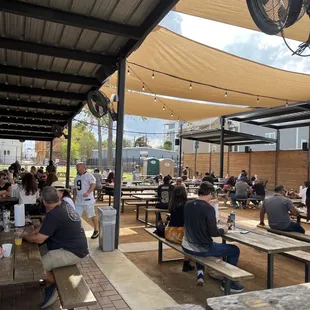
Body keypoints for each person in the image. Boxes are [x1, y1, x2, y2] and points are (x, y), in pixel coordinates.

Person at [23, 186, 89, 308]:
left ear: (43, 202)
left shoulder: (55, 214)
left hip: (72, 252)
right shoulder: (62, 204)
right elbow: (46, 225)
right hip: (74, 248)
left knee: (36, 267)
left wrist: (25, 236)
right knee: (38, 255)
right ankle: (50, 280)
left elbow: (39, 239)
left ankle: (57, 285)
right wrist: (30, 233)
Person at [182, 182, 243, 292]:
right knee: (234, 250)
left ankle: (212, 273)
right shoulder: (208, 208)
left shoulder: (188, 204)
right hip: (202, 248)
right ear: (210, 193)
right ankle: (228, 283)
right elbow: (213, 232)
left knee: (206, 244)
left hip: (186, 245)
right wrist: (223, 229)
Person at [165, 185, 195, 272]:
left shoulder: (172, 204)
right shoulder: (186, 205)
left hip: (170, 232)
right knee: (192, 240)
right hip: (179, 233)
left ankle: (189, 262)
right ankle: (186, 264)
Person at [73, 163, 98, 239]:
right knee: (76, 216)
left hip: (88, 200)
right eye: (77, 168)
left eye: (79, 168)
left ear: (84, 168)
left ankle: (96, 230)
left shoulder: (89, 176)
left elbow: (93, 185)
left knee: (91, 215)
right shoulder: (76, 178)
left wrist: (88, 192)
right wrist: (74, 197)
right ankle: (77, 231)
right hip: (79, 200)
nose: (77, 169)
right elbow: (75, 188)